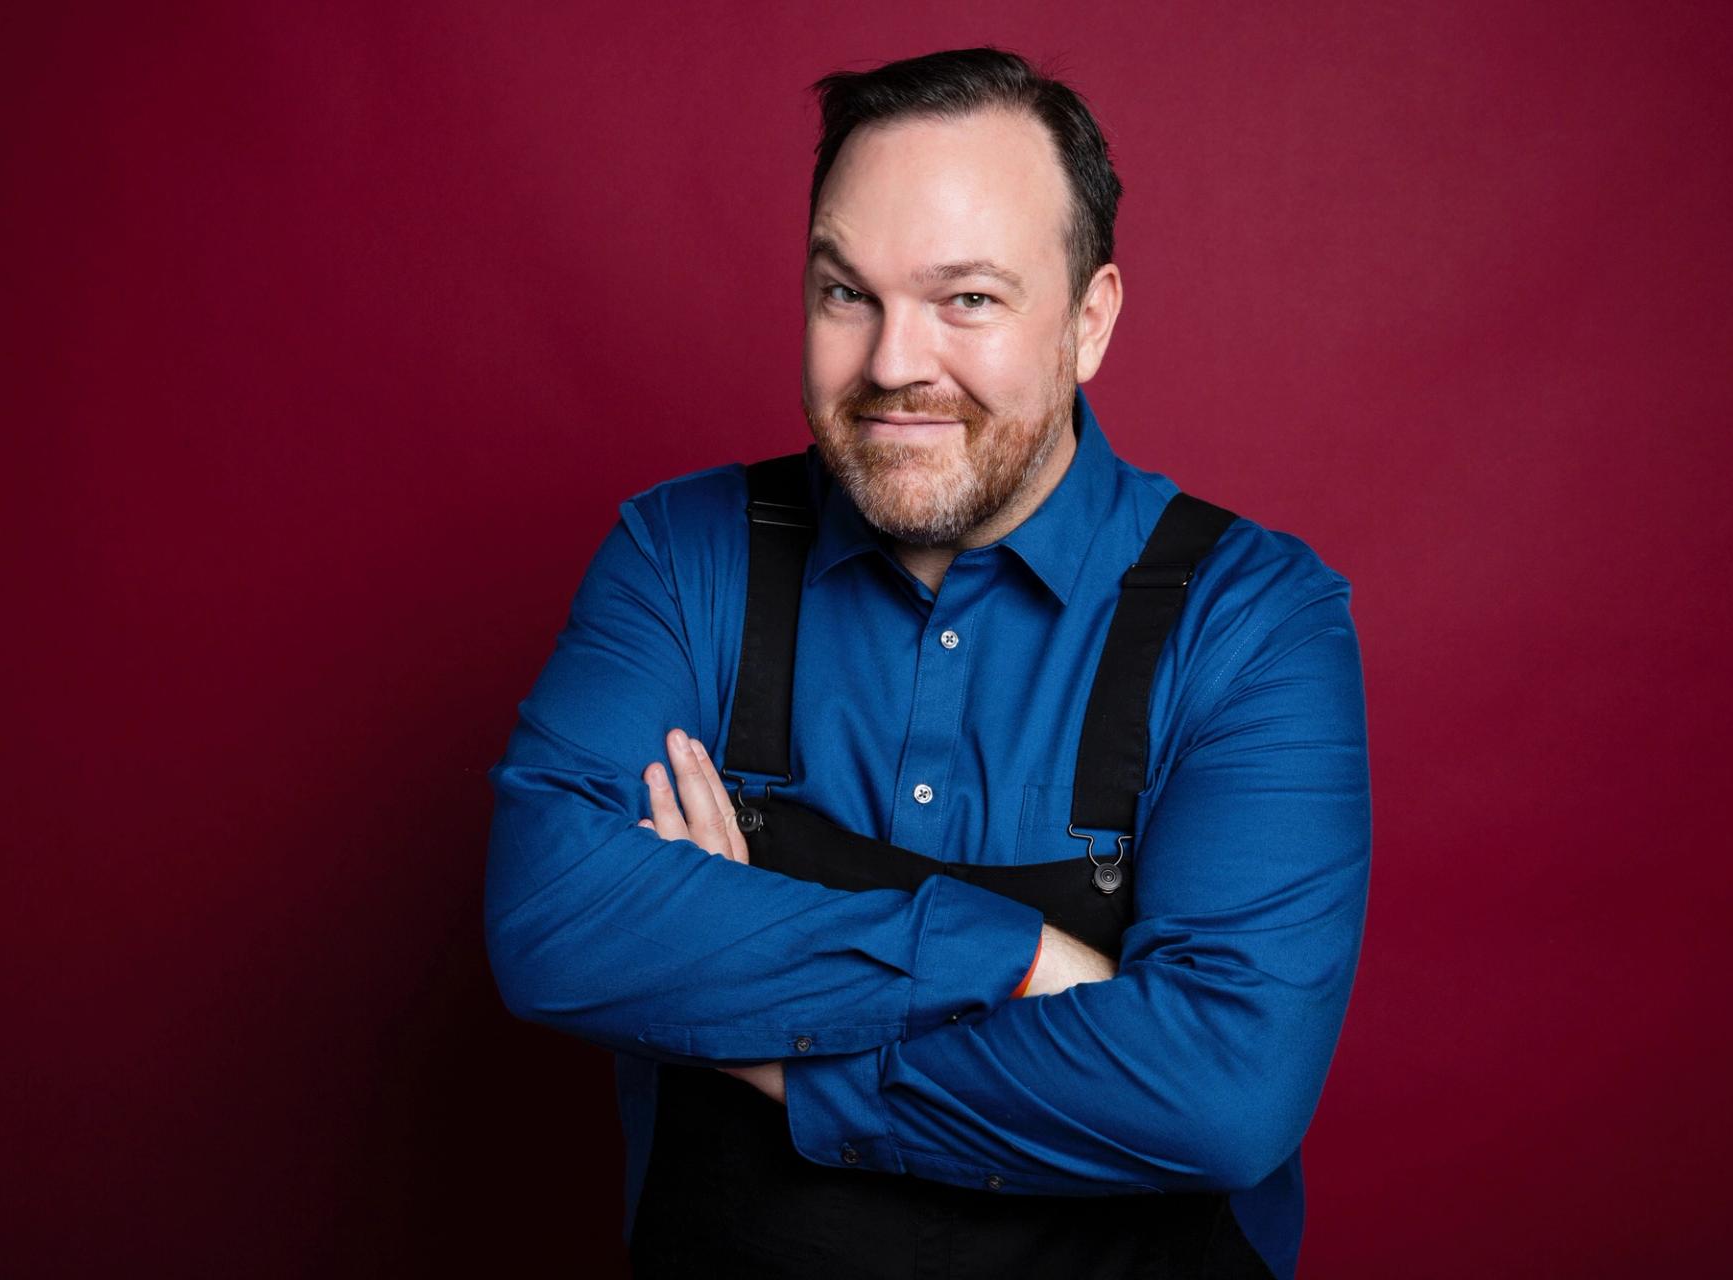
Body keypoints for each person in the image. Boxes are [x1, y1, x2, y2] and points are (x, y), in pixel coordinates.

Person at [485, 47, 1370, 1280]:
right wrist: (1010, 958)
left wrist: (773, 1045)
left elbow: (1224, 1090)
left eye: (967, 300)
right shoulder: (680, 556)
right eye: (847, 292)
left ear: (1090, 319)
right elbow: (549, 920)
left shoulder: (1254, 618)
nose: (895, 361)